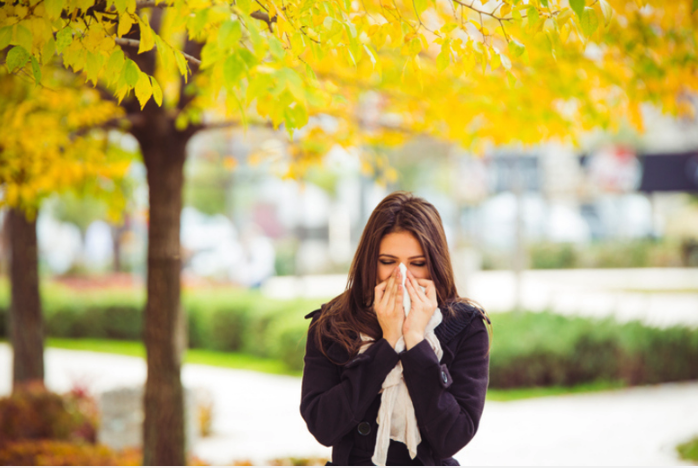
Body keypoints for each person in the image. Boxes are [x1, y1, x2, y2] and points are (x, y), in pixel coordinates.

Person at [300, 191, 491, 466]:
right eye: (388, 262)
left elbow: (453, 436)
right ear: (370, 262)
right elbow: (323, 426)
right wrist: (387, 344)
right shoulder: (333, 323)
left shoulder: (464, 326)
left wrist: (415, 340)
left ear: (435, 264)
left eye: (417, 263)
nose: (401, 276)